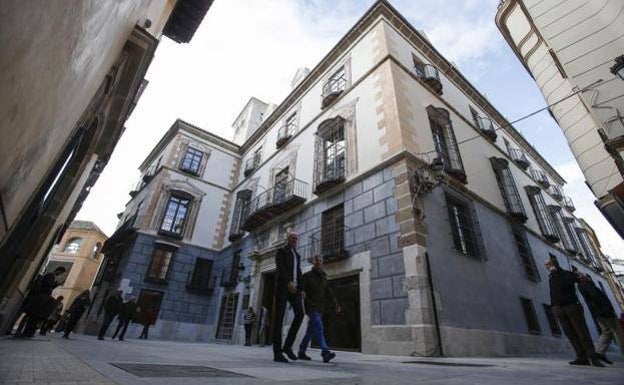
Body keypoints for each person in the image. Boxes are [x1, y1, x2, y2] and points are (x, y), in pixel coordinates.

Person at [545, 259, 603, 367]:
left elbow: (582, 279)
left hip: (571, 306)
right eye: (546, 265)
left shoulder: (567, 274)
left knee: (582, 332)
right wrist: (553, 306)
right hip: (558, 308)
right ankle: (581, 357)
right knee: (570, 333)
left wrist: (580, 276)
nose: (546, 267)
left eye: (548, 265)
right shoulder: (551, 278)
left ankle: (593, 357)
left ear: (554, 265)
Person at [298, 255, 340, 363]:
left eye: (320, 260)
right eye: (316, 260)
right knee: (319, 325)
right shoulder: (306, 276)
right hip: (311, 305)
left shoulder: (323, 277)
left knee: (310, 330)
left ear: (322, 263)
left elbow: (329, 292)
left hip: (320, 306)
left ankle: (301, 351)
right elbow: (301, 287)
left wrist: (336, 304)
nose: (318, 262)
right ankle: (325, 352)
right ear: (313, 262)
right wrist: (301, 292)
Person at [576, 273, 624, 364]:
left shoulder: (583, 286)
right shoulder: (587, 285)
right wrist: (606, 308)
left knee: (606, 332)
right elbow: (596, 296)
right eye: (583, 275)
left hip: (598, 314)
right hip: (605, 312)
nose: (586, 275)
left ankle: (599, 352)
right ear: (581, 278)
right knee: (618, 332)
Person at [272, 232, 304, 363]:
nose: (294, 240)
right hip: (283, 287)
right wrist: (287, 282)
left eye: (296, 238)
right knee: (279, 318)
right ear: (288, 239)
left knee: (300, 314)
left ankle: (287, 346)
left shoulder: (297, 255)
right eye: (292, 238)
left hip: (295, 289)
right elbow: (280, 268)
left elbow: (298, 272)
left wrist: (301, 289)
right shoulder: (281, 251)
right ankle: (277, 353)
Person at [20, 266, 67, 337]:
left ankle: (29, 332)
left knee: (34, 317)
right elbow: (48, 286)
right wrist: (57, 284)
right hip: (41, 298)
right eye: (61, 273)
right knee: (34, 317)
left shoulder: (51, 276)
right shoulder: (50, 275)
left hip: (41, 298)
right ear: (58, 270)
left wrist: (56, 284)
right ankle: (27, 332)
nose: (60, 275)